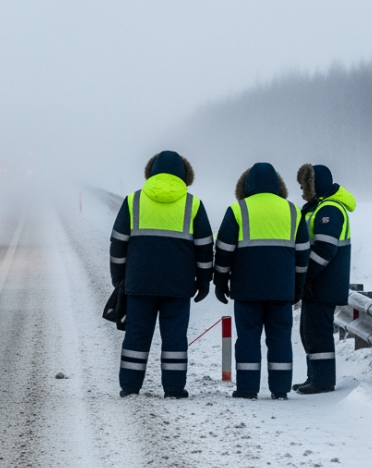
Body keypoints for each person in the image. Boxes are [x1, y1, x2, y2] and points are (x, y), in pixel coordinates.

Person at [109, 151, 213, 398]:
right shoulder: (193, 204)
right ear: (186, 175)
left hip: (139, 283)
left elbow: (118, 244)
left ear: (150, 172)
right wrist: (204, 281)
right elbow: (205, 248)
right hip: (179, 285)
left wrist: (119, 278)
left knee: (136, 336)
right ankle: (174, 389)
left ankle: (130, 387)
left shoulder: (134, 200)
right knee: (175, 337)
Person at [213, 163, 310, 400]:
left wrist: (220, 281)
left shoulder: (238, 210)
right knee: (280, 338)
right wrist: (297, 286)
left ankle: (247, 389)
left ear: (245, 185)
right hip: (281, 289)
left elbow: (224, 251)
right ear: (278, 185)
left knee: (247, 337)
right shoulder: (293, 211)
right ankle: (280, 389)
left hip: (247, 289)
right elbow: (302, 254)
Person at [294, 164, 355, 395]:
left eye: (304, 185)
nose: (302, 190)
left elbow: (325, 249)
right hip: (319, 282)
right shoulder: (318, 207)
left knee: (318, 332)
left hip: (324, 282)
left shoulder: (329, 209)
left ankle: (323, 381)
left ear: (314, 185)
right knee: (309, 331)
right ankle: (315, 376)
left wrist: (306, 275)